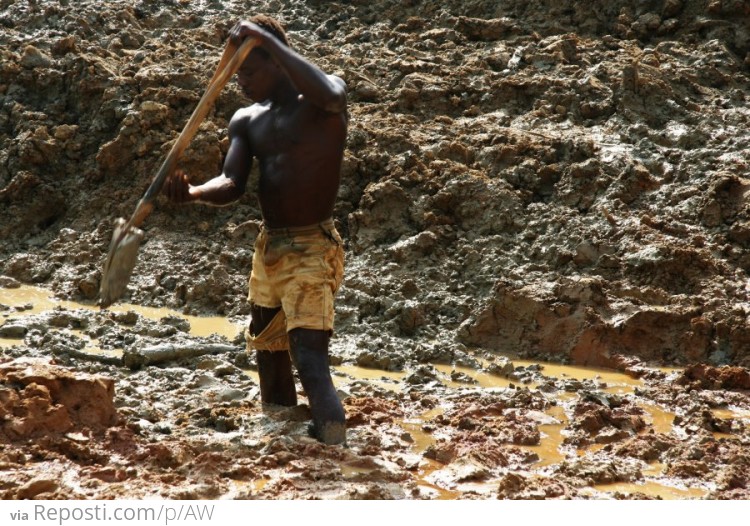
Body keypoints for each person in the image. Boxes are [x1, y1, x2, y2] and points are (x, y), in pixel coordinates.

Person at [163, 15, 348, 445]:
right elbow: (231, 183)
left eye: (248, 70)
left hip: (311, 247)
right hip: (270, 249)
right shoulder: (247, 119)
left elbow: (333, 95)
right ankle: (280, 435)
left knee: (310, 358)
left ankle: (336, 447)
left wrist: (264, 37)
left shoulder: (321, 101)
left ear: (279, 62)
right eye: (236, 73)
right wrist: (191, 192)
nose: (239, 81)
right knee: (268, 350)